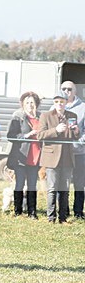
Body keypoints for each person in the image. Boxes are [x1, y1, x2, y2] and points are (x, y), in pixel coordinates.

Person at [37, 95, 80, 223]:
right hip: (51, 157)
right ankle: (51, 218)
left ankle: (62, 218)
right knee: (52, 189)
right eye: (56, 101)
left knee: (65, 190)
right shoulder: (46, 116)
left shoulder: (72, 115)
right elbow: (40, 135)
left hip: (67, 157)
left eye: (62, 101)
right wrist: (55, 130)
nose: (59, 104)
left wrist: (76, 131)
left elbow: (75, 136)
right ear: (54, 103)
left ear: (66, 102)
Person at [6, 91, 42, 219]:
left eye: (32, 102)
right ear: (23, 104)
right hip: (21, 156)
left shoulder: (41, 117)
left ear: (36, 103)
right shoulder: (18, 116)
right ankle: (18, 211)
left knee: (32, 185)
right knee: (19, 184)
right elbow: (10, 136)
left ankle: (32, 212)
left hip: (36, 156)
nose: (30, 105)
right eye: (27, 102)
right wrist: (26, 135)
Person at [61, 81, 85, 219]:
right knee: (63, 183)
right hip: (63, 153)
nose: (66, 91)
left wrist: (79, 142)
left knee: (79, 184)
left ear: (75, 91)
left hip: (79, 152)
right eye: (63, 88)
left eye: (69, 89)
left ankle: (78, 212)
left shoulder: (83, 107)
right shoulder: (57, 106)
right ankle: (64, 210)